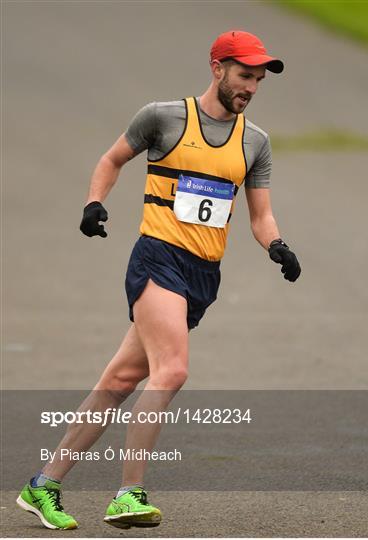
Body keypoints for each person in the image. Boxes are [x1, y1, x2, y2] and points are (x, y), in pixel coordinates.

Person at [16, 29, 301, 531]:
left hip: (202, 275)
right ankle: (129, 493)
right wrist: (93, 203)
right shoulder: (162, 117)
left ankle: (43, 485)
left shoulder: (254, 142)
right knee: (171, 372)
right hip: (157, 258)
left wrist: (277, 246)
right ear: (217, 68)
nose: (251, 86)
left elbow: (260, 216)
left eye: (258, 79)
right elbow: (112, 160)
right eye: (244, 75)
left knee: (121, 380)